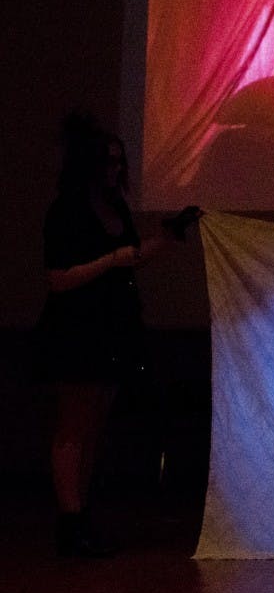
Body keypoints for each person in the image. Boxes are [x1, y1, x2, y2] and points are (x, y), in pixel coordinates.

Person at [33, 111, 201, 557]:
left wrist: (169, 236)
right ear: (88, 164)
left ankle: (80, 513)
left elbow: (129, 257)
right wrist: (111, 261)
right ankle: (69, 521)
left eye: (119, 161)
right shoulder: (66, 211)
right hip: (76, 328)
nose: (116, 169)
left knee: (92, 425)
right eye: (108, 161)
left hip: (112, 326)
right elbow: (58, 278)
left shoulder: (114, 207)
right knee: (73, 425)